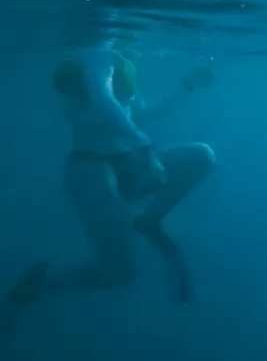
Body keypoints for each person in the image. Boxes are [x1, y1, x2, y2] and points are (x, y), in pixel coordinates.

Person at [2, 43, 216, 332]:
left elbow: (135, 114)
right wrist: (145, 145)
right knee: (119, 273)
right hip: (90, 170)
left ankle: (149, 222)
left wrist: (186, 87)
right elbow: (104, 105)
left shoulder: (114, 62)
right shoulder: (93, 59)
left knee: (202, 156)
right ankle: (40, 284)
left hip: (127, 164)